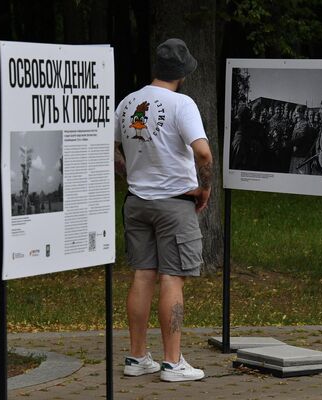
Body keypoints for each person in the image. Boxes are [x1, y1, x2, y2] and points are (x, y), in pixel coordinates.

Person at [114, 38, 212, 382]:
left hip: (137, 202)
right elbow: (202, 153)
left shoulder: (128, 103)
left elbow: (113, 150)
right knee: (173, 277)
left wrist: (132, 174)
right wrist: (206, 187)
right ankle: (173, 363)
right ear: (182, 74)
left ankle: (137, 357)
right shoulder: (181, 104)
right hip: (174, 203)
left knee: (143, 275)